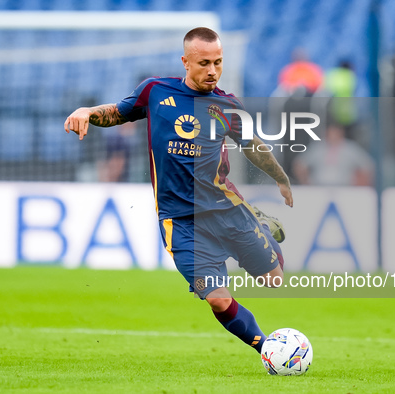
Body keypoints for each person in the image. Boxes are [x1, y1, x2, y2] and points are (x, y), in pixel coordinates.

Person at [64, 27, 293, 354]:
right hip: (181, 223)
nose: (212, 71)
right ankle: (268, 348)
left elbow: (252, 145)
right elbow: (117, 113)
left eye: (218, 62)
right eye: (203, 63)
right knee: (216, 297)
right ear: (185, 62)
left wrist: (279, 176)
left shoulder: (228, 105)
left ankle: (260, 228)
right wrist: (87, 112)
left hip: (226, 209)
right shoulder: (155, 91)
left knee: (273, 280)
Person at [293, 123, 374, 186]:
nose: (333, 136)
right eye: (330, 133)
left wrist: (359, 184)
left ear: (341, 133)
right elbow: (299, 164)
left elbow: (367, 166)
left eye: (335, 132)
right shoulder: (317, 148)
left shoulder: (350, 148)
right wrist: (306, 182)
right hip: (318, 188)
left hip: (345, 188)